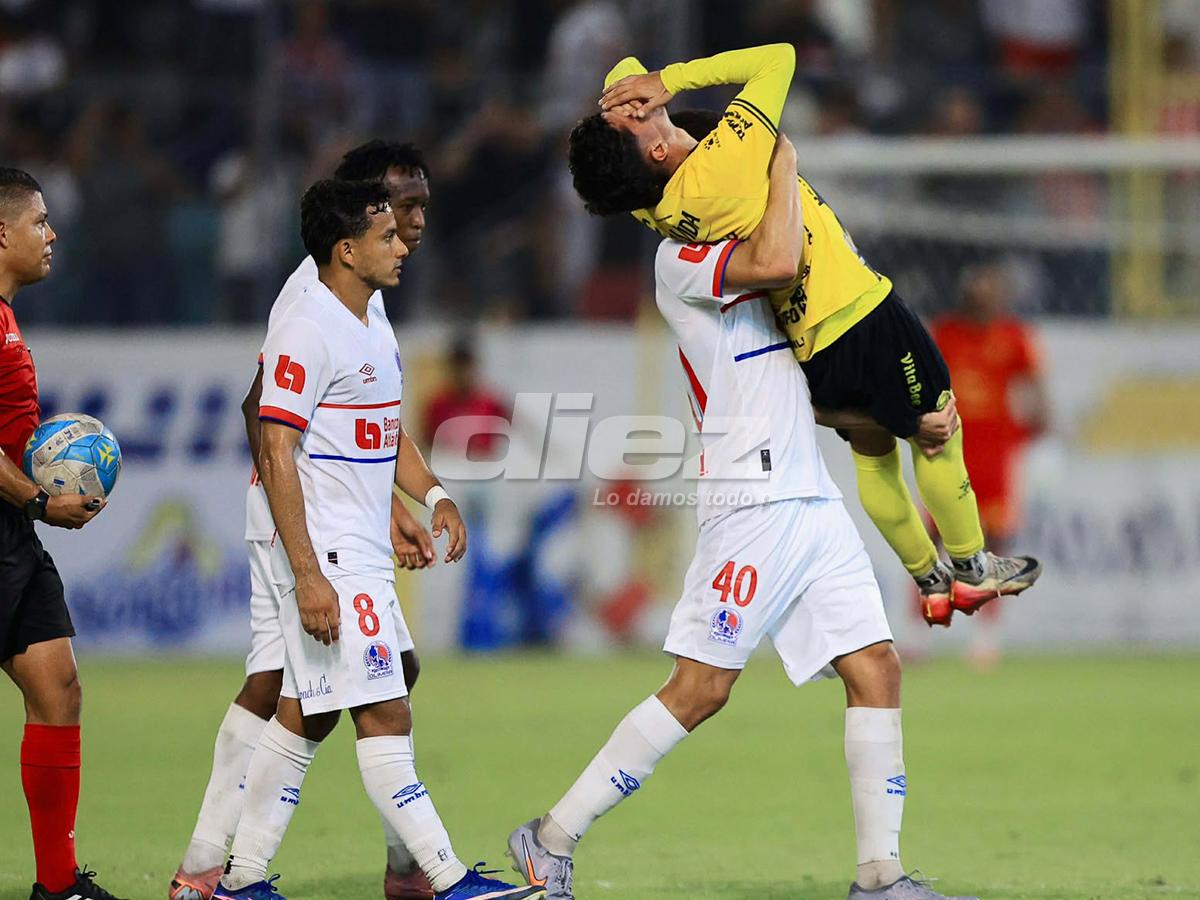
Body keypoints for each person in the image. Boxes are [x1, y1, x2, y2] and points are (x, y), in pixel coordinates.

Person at [507, 135, 975, 900]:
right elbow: (781, 261)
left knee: (876, 667)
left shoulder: (757, 257)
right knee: (701, 688)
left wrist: (902, 422)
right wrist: (781, 160)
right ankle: (550, 837)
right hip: (750, 500)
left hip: (810, 495)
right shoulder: (681, 259)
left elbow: (807, 396)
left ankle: (880, 877)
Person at [569, 43, 1041, 626]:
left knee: (874, 456)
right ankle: (972, 568)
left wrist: (632, 96)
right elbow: (779, 59)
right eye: (631, 115)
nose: (636, 102)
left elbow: (623, 85)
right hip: (857, 311)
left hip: (810, 344)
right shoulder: (724, 165)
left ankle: (930, 580)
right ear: (656, 148)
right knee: (939, 429)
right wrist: (673, 78)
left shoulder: (649, 200)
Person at [211, 178, 540, 900]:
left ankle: (239, 879)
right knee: (385, 709)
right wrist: (307, 573)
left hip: (361, 548)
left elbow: (383, 433)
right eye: (387, 235)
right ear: (346, 249)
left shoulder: (372, 322)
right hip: (330, 551)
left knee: (310, 710)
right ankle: (444, 879)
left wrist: (435, 496)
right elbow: (274, 447)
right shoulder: (307, 327)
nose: (403, 246)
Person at [171, 142, 446, 900]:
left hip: (323, 512)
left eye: (420, 207)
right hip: (294, 519)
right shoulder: (310, 297)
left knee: (358, 678)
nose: (415, 222)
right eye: (402, 206)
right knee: (299, 686)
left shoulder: (367, 292)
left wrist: (390, 503)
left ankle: (214, 869)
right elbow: (260, 413)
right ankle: (217, 869)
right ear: (358, 219)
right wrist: (312, 546)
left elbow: (358, 418)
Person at [0, 167, 123, 900]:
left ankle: (56, 888)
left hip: (10, 529)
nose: (52, 234)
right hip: (16, 517)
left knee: (59, 689)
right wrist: (41, 501)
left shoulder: (7, 319)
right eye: (39, 221)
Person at [930, 263, 1049, 665]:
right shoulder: (945, 333)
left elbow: (1035, 390)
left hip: (995, 457)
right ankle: (920, 629)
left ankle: (986, 637)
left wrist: (1036, 431)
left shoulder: (1014, 336)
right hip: (950, 453)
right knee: (932, 541)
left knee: (994, 545)